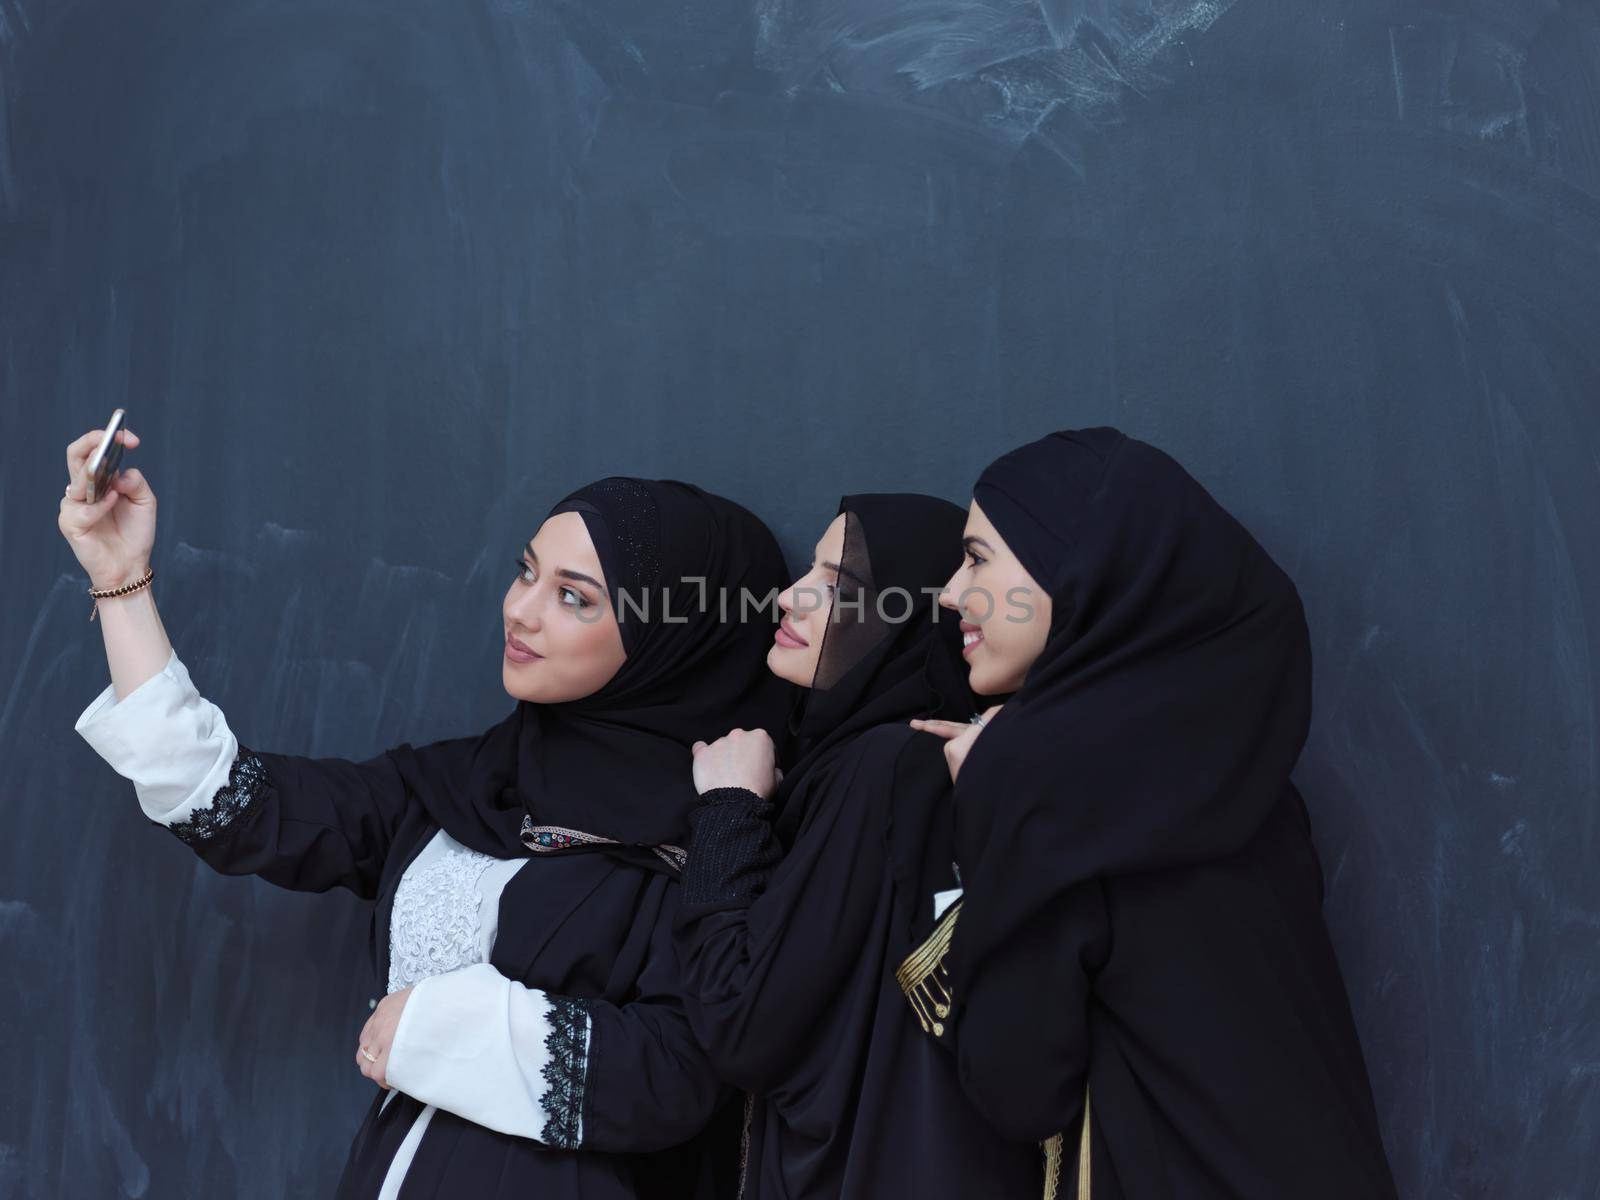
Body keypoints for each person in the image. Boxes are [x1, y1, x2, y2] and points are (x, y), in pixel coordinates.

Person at [59, 425, 794, 1200]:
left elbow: (684, 1071)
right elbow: (234, 801)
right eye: (527, 573)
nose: (521, 611)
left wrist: (439, 1024)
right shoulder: (466, 784)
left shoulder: (715, 831)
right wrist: (121, 579)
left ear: (667, 637)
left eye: (574, 597)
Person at [908, 427, 1399, 1199]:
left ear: (1078, 563)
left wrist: (989, 799)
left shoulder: (1038, 784)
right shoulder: (1243, 770)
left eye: (977, 559)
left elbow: (1017, 1090)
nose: (948, 593)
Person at [672, 494, 1046, 1199]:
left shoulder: (886, 767)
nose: (789, 597)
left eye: (837, 586)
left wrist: (728, 810)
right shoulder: (873, 760)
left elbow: (742, 1019)